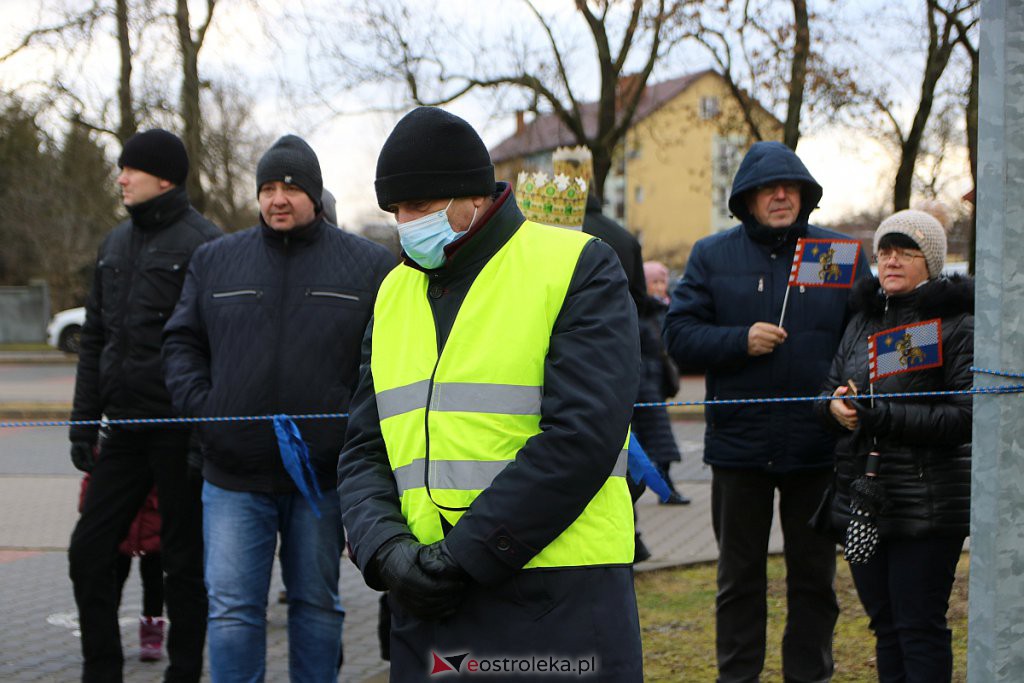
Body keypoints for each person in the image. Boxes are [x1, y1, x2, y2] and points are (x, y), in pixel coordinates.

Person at [338, 106, 643, 681]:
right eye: (396, 210)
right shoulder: (393, 293)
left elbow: (582, 436)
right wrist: (385, 551)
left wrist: (466, 556)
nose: (405, 223)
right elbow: (363, 445)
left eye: (420, 207)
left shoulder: (575, 266)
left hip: (555, 594)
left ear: (473, 196)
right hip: (426, 598)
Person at [162, 134, 394, 682]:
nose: (277, 199)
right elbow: (180, 343)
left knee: (316, 606)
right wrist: (207, 409)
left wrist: (352, 429)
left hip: (323, 477)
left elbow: (386, 360)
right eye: (267, 188)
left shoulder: (368, 265)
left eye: (289, 187)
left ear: (314, 193)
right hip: (232, 475)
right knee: (234, 612)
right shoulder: (215, 261)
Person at [663, 140, 870, 682]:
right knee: (738, 581)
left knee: (814, 582)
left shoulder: (840, 253)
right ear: (746, 199)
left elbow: (868, 333)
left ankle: (810, 674)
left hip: (816, 448)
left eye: (790, 187)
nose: (781, 196)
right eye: (768, 189)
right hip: (740, 450)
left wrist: (854, 389)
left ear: (805, 195)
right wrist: (739, 340)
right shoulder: (712, 255)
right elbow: (678, 336)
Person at [67, 128, 219, 683]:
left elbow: (214, 346)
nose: (121, 177)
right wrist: (83, 425)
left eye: (130, 169)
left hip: (181, 433)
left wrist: (206, 431)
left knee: (182, 565)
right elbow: (95, 337)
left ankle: (184, 673)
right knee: (88, 551)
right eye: (121, 168)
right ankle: (100, 671)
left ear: (165, 178)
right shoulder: (113, 244)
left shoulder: (206, 242)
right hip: (123, 431)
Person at [818, 210, 972, 682]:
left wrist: (882, 415)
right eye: (885, 250)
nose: (892, 260)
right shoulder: (861, 320)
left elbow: (964, 416)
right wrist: (834, 408)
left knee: (918, 627)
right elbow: (828, 388)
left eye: (906, 251)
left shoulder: (956, 324)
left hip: (927, 504)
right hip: (864, 499)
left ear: (931, 260)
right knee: (884, 627)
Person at [78, 468, 166, 662]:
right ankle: (107, 635)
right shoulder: (113, 448)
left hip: (154, 528)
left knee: (154, 584)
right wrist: (90, 511)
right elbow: (92, 479)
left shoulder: (162, 452)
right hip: (119, 529)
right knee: (112, 583)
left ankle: (152, 638)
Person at [635, 260, 689, 505]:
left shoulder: (663, 309)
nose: (658, 287)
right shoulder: (642, 311)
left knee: (656, 439)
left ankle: (664, 488)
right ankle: (663, 489)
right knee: (655, 438)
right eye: (653, 282)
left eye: (661, 281)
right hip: (644, 383)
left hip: (657, 381)